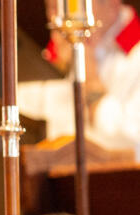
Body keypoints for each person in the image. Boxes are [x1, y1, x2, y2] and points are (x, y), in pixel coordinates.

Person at [18, 0, 140, 152]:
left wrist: (91, 80)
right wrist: (57, 68)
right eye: (52, 7)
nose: (56, 18)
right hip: (59, 169)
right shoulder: (59, 50)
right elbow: (20, 115)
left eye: (70, 5)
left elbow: (131, 137)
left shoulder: (134, 55)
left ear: (111, 5)